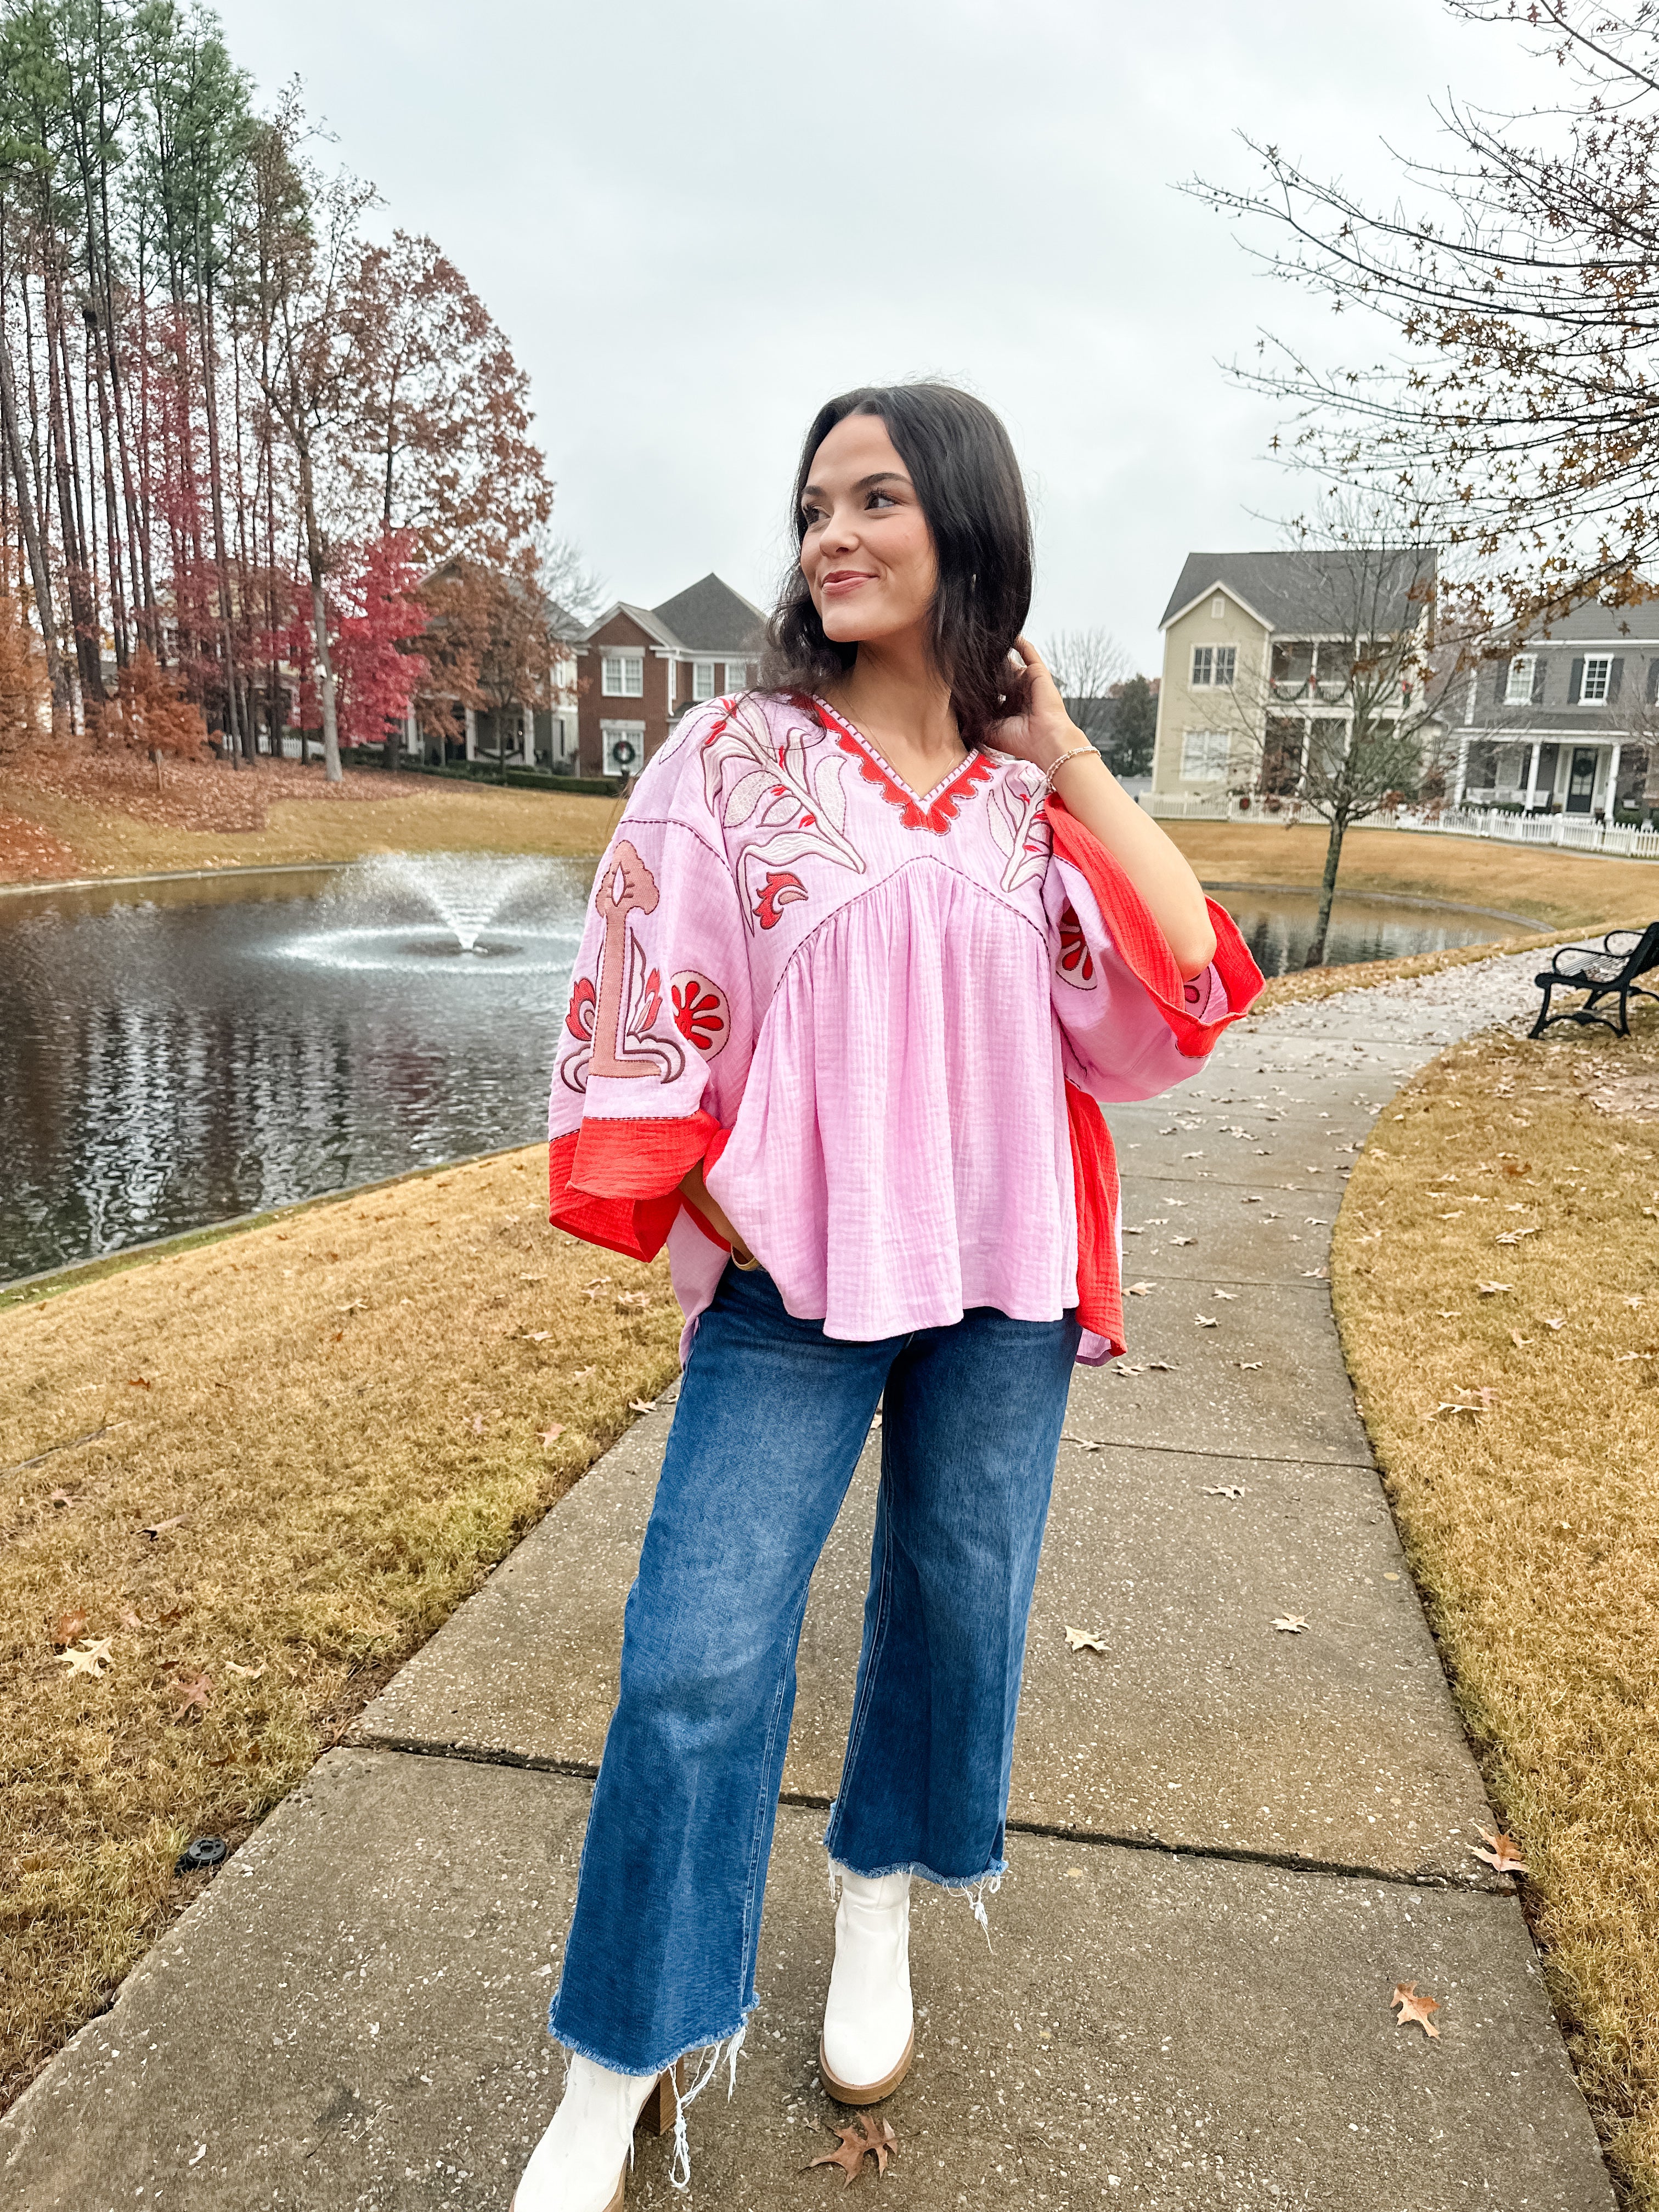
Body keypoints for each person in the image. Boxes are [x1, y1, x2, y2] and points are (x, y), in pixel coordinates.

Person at [514, 382, 1261, 2212]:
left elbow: (1188, 977)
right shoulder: (731, 764)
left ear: (967, 528)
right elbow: (632, 994)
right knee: (693, 1655)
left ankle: (876, 1905)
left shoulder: (1025, 806)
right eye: (812, 506)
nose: (829, 535)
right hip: (795, 1288)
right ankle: (626, 2053)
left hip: (1001, 1277)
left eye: (875, 500)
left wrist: (1068, 749)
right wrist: (710, 1189)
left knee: (956, 1607)